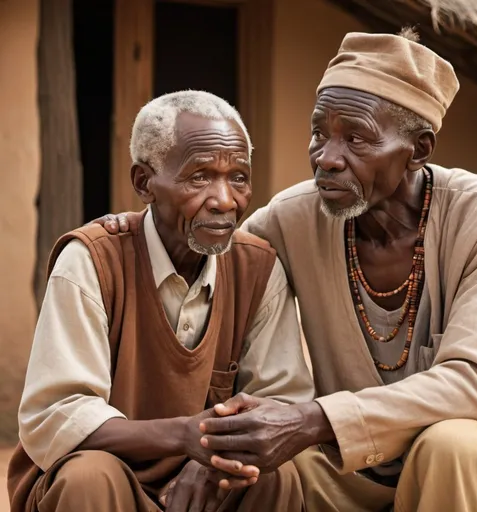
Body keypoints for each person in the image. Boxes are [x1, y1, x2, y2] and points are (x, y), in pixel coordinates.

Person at [96, 30, 477, 512]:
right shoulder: (291, 218)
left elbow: (476, 386)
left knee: (449, 445)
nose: (326, 158)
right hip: (347, 462)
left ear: (418, 150)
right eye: (319, 133)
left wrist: (312, 420)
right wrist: (136, 228)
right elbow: (217, 259)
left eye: (355, 138)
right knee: (260, 475)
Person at [7, 91, 314, 512]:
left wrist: (209, 458)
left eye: (238, 178)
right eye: (200, 177)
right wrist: (187, 436)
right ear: (143, 183)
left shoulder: (257, 268)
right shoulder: (93, 261)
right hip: (113, 483)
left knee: (275, 475)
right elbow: (57, 416)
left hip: (211, 487)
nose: (226, 200)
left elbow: (280, 408)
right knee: (89, 476)